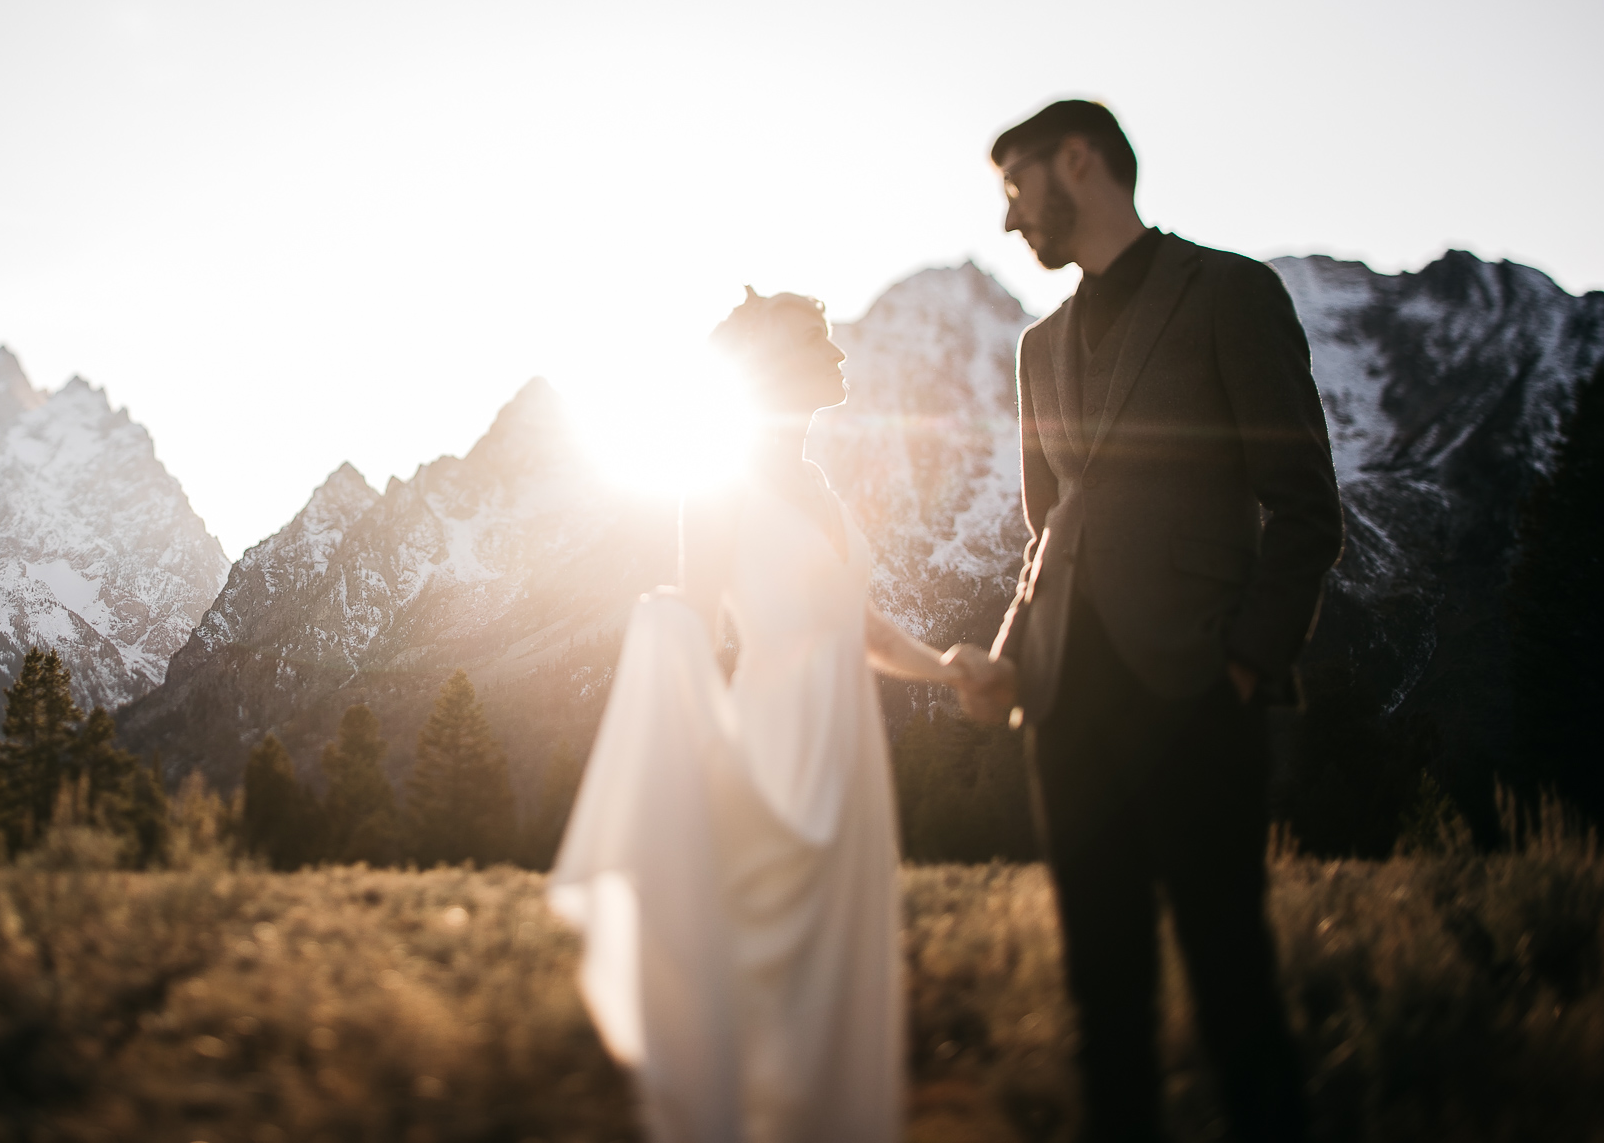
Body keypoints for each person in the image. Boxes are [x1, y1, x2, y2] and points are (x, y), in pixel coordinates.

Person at [949, 101, 1344, 1142]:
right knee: (1104, 1004)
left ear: (1078, 163)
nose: (1008, 221)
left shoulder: (1231, 293)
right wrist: (1006, 662)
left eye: (1015, 187)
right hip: (1066, 713)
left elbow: (1306, 506)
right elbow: (1050, 536)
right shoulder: (1039, 349)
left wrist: (1247, 668)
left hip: (1198, 697)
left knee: (1233, 992)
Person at [550, 288, 974, 1143]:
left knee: (835, 980)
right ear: (777, 368)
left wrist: (956, 673)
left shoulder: (825, 486)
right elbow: (695, 626)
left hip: (850, 757)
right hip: (774, 746)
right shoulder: (715, 488)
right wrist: (697, 756)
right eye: (821, 341)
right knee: (765, 973)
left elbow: (864, 630)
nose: (842, 355)